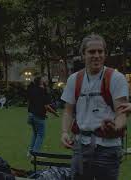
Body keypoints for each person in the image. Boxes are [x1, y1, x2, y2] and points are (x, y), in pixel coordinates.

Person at [60, 34, 128, 180]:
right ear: (83, 55)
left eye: (100, 51)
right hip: (80, 146)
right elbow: (68, 110)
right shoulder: (74, 79)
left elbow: (122, 113)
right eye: (91, 52)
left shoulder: (116, 78)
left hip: (108, 148)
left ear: (105, 54)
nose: (96, 55)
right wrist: (65, 132)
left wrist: (116, 126)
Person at [27, 76, 59, 154]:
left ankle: (30, 151)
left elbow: (32, 103)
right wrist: (55, 113)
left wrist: (43, 113)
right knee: (40, 135)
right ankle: (35, 154)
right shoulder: (43, 91)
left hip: (31, 115)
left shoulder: (32, 90)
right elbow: (46, 106)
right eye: (43, 79)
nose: (45, 80)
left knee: (35, 134)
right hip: (38, 116)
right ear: (41, 82)